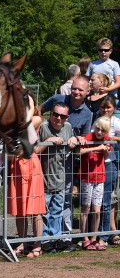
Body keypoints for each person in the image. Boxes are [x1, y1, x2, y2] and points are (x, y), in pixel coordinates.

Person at [41, 76, 92, 252]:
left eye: (80, 90)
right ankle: (45, 238)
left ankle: (63, 236)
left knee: (64, 202)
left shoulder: (87, 113)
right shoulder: (57, 101)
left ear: (87, 92)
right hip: (47, 166)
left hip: (67, 163)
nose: (76, 92)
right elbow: (38, 111)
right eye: (74, 89)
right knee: (46, 204)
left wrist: (77, 139)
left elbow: (85, 138)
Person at [36, 102, 78, 253]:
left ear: (67, 118)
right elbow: (34, 150)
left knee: (57, 211)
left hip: (60, 177)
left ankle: (56, 239)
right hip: (43, 178)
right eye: (55, 114)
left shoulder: (68, 128)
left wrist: (75, 139)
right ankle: (45, 240)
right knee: (44, 212)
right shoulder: (43, 127)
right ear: (51, 114)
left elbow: (76, 142)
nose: (58, 118)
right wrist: (48, 141)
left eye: (62, 116)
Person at [8, 100, 46, 259]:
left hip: (31, 163)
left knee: (36, 208)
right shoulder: (14, 120)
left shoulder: (36, 118)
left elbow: (25, 125)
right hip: (16, 164)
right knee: (20, 208)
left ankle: (37, 244)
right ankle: (22, 242)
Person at [79, 116, 110, 251]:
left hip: (100, 177)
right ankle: (84, 237)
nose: (99, 132)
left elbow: (107, 156)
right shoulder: (89, 137)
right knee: (86, 207)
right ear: (95, 127)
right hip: (86, 177)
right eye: (98, 129)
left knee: (97, 209)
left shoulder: (106, 138)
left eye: (102, 130)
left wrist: (105, 151)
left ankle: (94, 237)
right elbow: (80, 151)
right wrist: (95, 147)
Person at [98, 96, 120, 246]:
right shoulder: (97, 120)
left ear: (114, 109)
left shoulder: (116, 122)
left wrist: (111, 138)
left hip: (109, 163)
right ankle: (92, 234)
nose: (106, 110)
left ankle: (104, 236)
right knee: (94, 201)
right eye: (103, 107)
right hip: (95, 163)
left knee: (107, 201)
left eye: (109, 107)